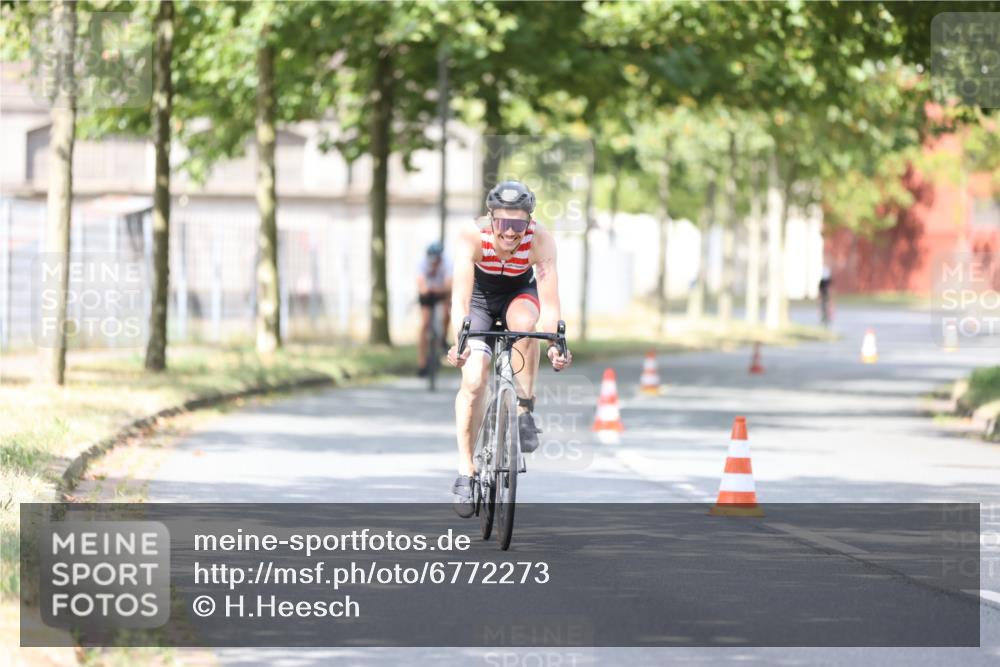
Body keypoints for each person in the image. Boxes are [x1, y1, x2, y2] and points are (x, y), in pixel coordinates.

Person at [446, 180, 572, 517]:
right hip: (479, 301)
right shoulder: (472, 236)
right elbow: (460, 299)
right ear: (491, 218)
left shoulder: (541, 240)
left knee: (525, 324)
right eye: (503, 223)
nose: (510, 232)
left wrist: (555, 344)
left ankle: (524, 407)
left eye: (519, 225)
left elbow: (549, 303)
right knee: (474, 380)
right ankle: (466, 470)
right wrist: (459, 340)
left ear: (530, 221)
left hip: (519, 294)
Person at [417, 241, 452, 377]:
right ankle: (422, 363)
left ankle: (443, 338)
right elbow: (421, 285)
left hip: (442, 291)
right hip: (428, 293)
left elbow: (448, 286)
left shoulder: (447, 262)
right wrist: (426, 289)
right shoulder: (422, 262)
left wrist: (437, 290)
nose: (433, 263)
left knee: (447, 311)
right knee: (424, 324)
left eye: (436, 261)